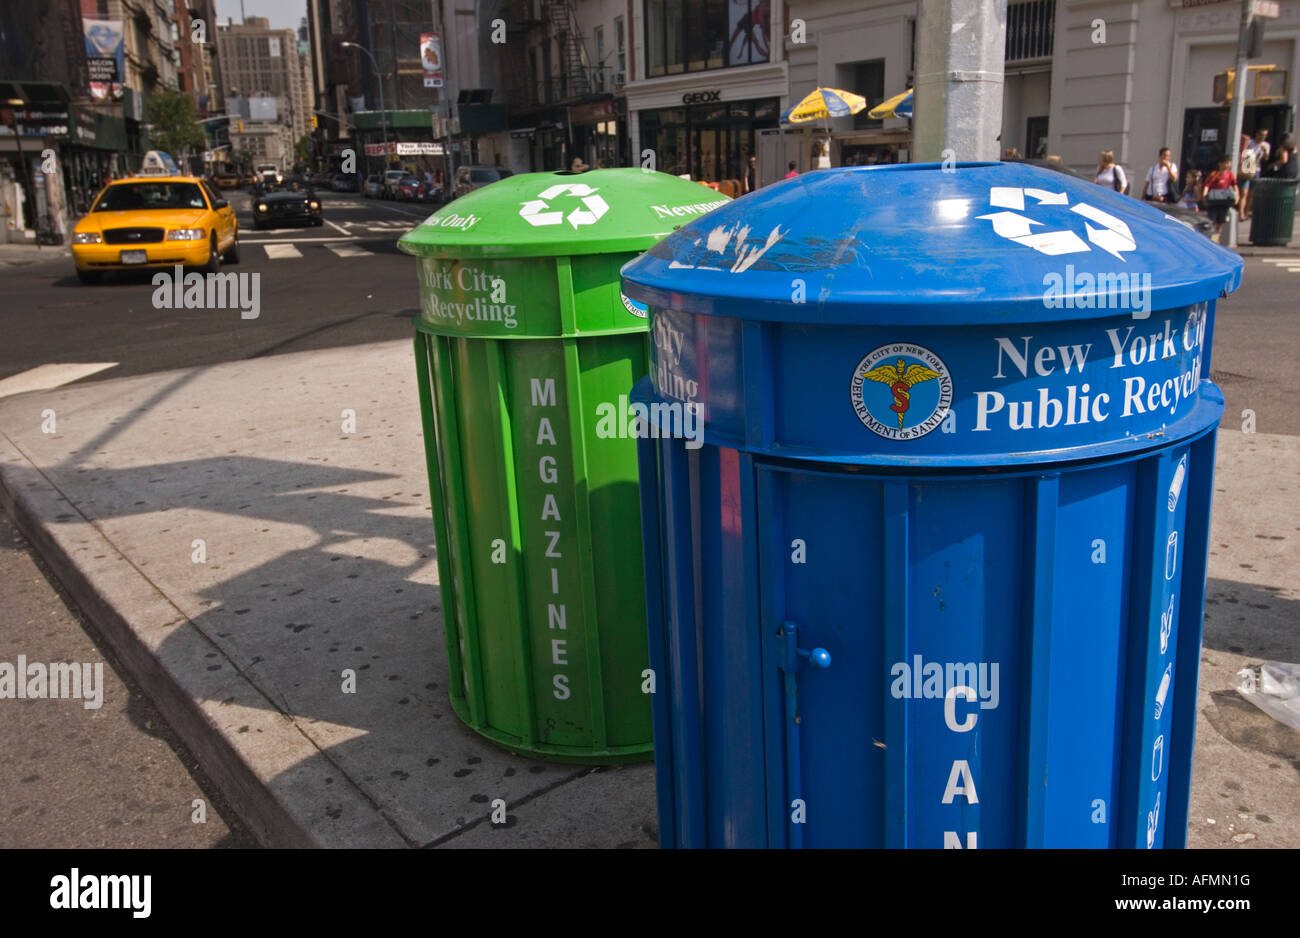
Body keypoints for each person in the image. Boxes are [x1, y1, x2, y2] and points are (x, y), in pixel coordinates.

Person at [1201, 155, 1238, 240]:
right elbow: (1207, 186)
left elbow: (1235, 186)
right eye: (1226, 162)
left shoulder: (1230, 175)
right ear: (1220, 164)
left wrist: (1236, 196)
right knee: (1212, 220)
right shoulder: (1214, 174)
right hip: (1214, 201)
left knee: (1220, 222)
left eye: (1229, 162)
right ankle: (1211, 238)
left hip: (1224, 201)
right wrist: (1204, 196)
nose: (1228, 164)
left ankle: (1217, 239)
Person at [1239, 128, 1270, 218]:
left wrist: (1264, 152)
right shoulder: (1250, 142)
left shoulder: (1266, 145)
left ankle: (1246, 211)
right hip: (1247, 168)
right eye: (1261, 135)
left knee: (1252, 193)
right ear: (1257, 134)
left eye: (1264, 136)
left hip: (1257, 169)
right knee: (1244, 192)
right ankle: (1241, 213)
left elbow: (1265, 159)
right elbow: (1243, 153)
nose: (1262, 137)